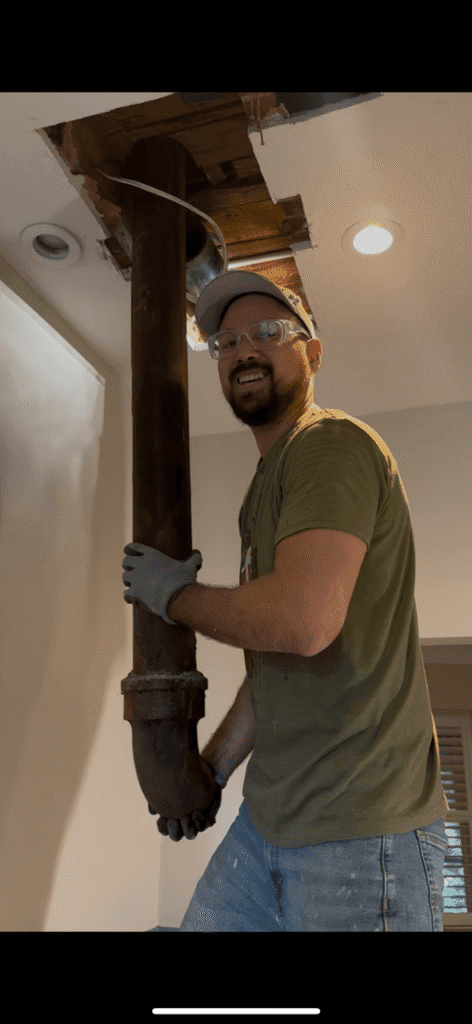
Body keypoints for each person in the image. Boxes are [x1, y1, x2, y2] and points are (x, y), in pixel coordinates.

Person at [123, 270, 449, 931]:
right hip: (269, 819)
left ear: (314, 353)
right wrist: (212, 768)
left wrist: (175, 595)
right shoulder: (266, 487)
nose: (244, 349)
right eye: (227, 340)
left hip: (363, 833)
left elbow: (301, 623)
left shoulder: (329, 444)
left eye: (269, 332)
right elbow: (274, 666)